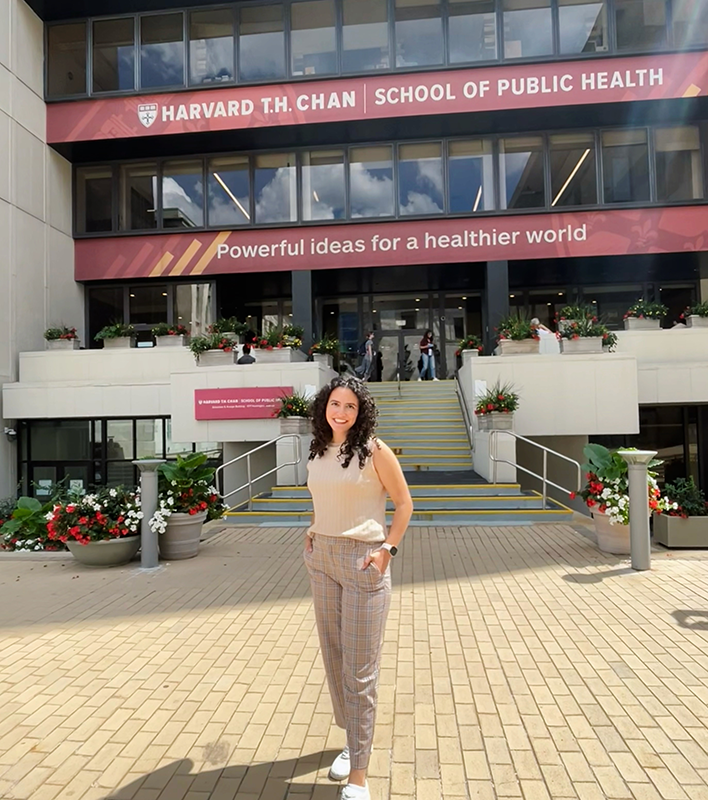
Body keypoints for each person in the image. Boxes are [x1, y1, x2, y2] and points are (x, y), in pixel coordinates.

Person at [305, 377, 413, 800]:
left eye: (350, 406)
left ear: (360, 411)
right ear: (324, 407)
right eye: (335, 404)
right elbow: (323, 496)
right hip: (323, 559)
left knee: (360, 670)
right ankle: (352, 742)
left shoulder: (375, 451)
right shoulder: (317, 449)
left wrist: (388, 549)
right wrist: (311, 532)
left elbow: (404, 504)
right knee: (335, 658)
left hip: (364, 561)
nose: (341, 412)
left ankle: (359, 778)